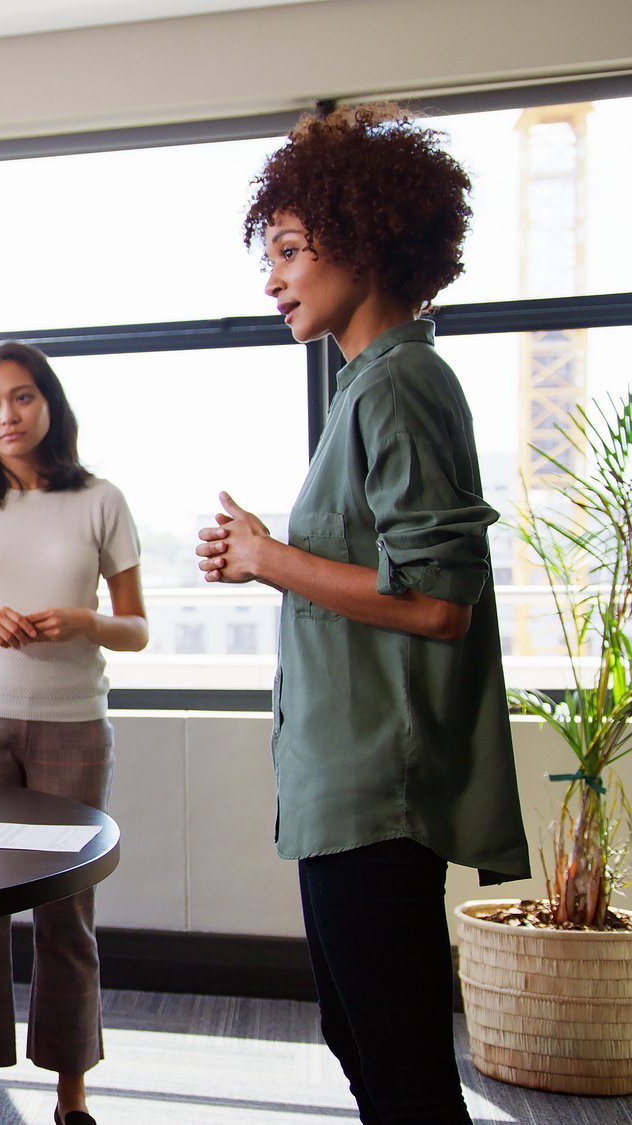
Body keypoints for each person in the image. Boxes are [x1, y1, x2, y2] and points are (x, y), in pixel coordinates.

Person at [198, 103, 529, 1123]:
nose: (271, 279)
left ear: (367, 237)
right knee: (367, 1042)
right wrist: (270, 557)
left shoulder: (399, 384)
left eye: (291, 249)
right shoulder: (366, 388)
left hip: (377, 792)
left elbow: (438, 605)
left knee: (398, 1066)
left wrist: (268, 558)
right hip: (345, 784)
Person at [0, 341, 147, 1125]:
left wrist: (87, 620)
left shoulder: (100, 499)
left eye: (20, 398)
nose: (5, 416)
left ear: (49, 402)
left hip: (73, 725)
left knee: (66, 913)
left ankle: (71, 1096)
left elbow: (137, 628)